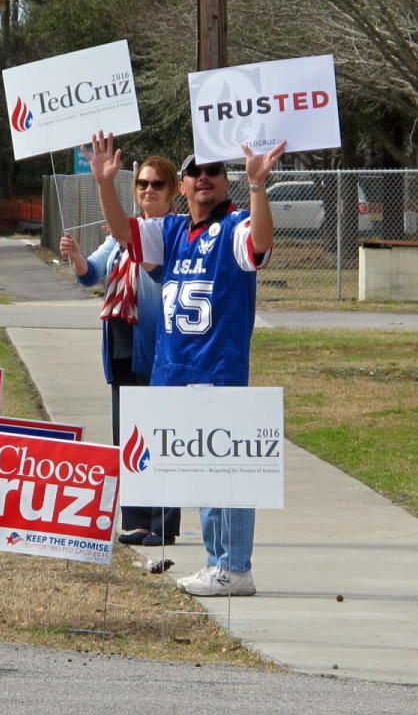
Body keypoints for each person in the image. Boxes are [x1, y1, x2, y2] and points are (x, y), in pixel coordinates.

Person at [84, 130, 286, 596]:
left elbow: (258, 245)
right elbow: (123, 234)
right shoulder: (172, 231)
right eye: (195, 171)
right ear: (184, 185)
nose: (203, 178)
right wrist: (104, 185)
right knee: (201, 479)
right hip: (174, 373)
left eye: (213, 171)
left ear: (225, 181)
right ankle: (218, 562)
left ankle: (235, 568)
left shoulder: (234, 225)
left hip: (216, 371)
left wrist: (258, 187)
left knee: (226, 477)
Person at [59, 155, 182, 547]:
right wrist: (77, 256)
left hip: (158, 345)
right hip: (121, 347)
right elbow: (91, 274)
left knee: (161, 433)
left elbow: (146, 258)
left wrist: (103, 185)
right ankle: (134, 518)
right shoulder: (119, 236)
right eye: (143, 184)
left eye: (157, 184)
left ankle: (162, 521)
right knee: (128, 436)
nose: (148, 190)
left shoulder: (175, 232)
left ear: (173, 191)